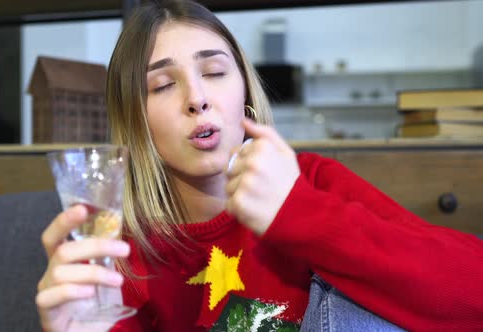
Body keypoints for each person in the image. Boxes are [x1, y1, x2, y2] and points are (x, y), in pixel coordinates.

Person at [35, 1, 483, 331]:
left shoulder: (309, 183)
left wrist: (299, 213)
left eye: (214, 72)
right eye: (164, 85)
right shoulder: (120, 256)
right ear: (135, 119)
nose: (198, 98)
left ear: (244, 93)